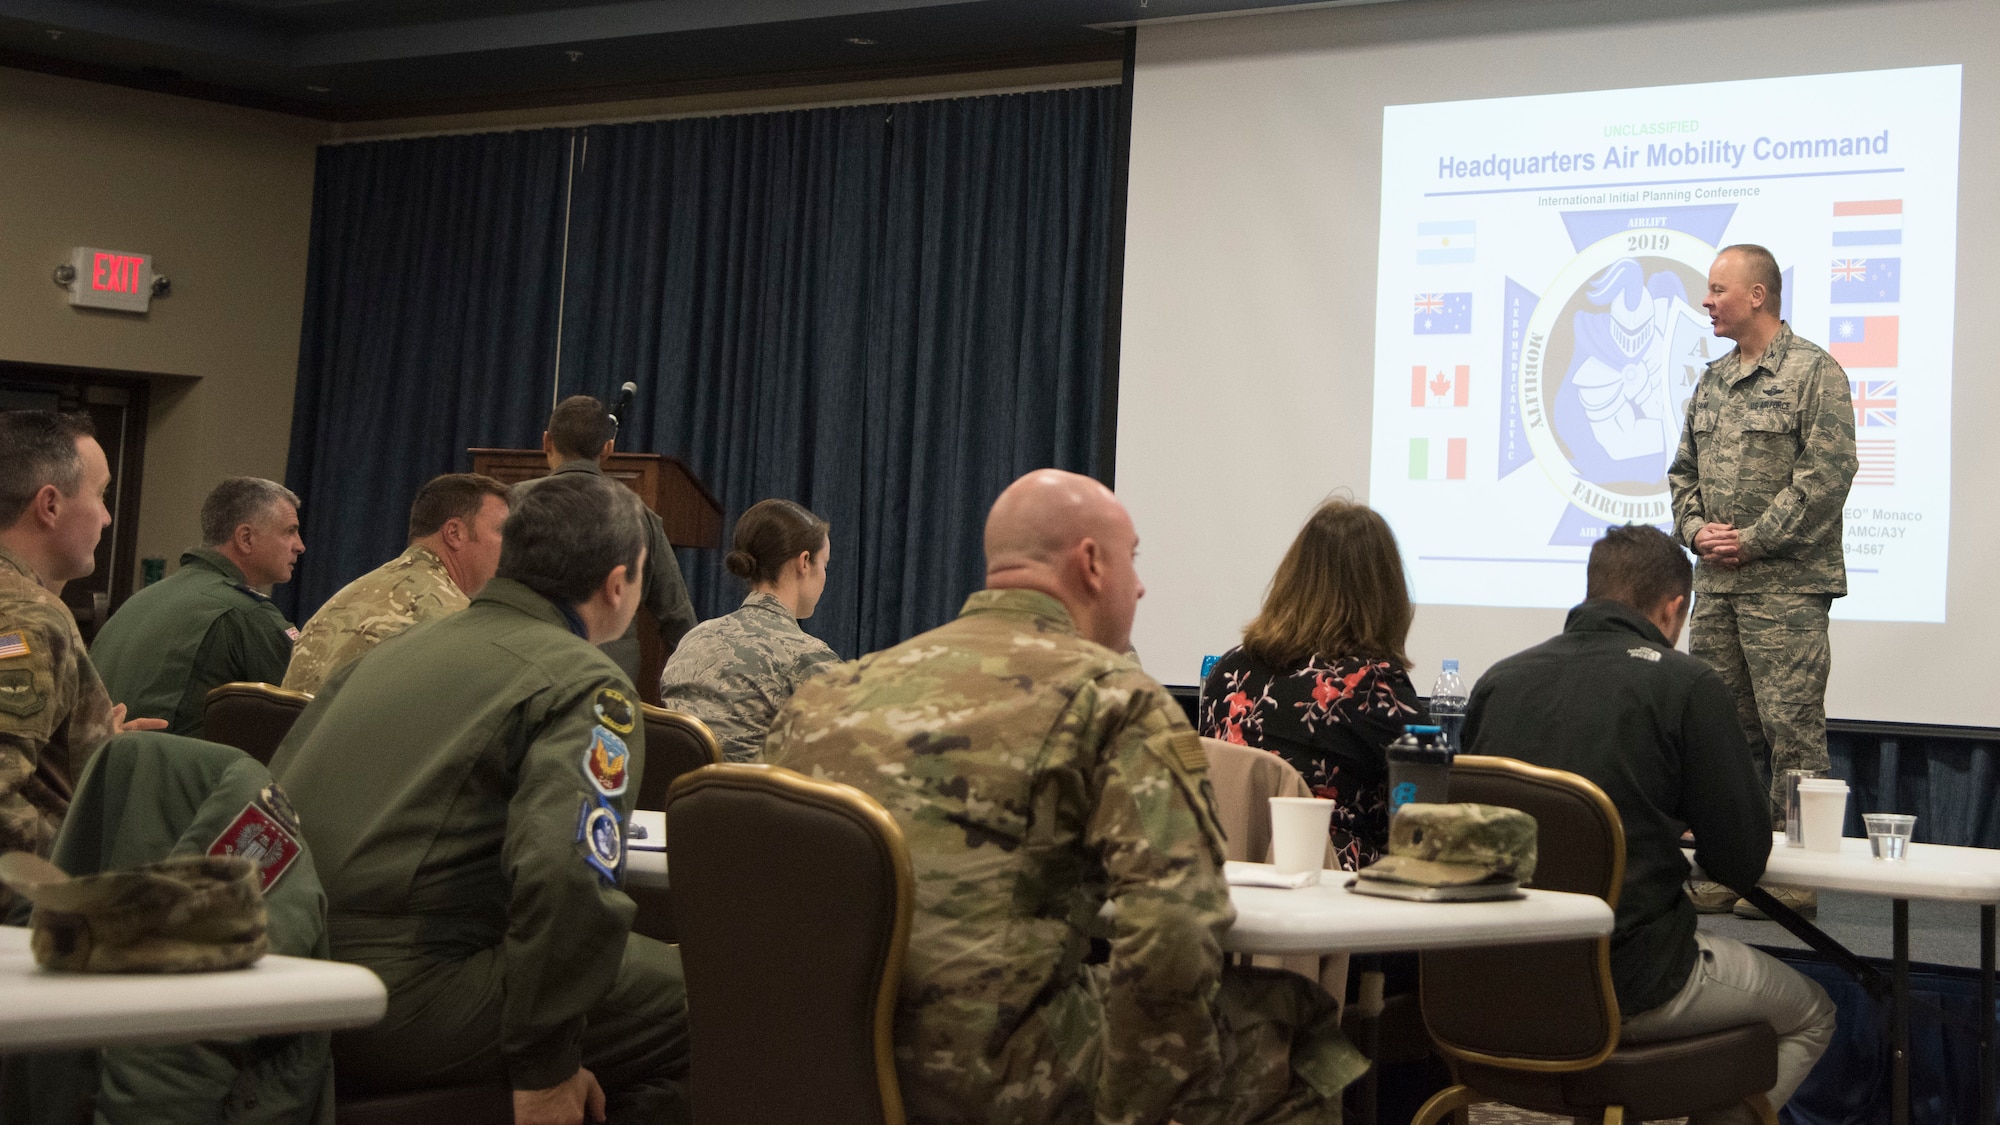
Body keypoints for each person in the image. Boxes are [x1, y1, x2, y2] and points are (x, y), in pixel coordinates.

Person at [765, 469, 1364, 1125]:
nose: (1140, 585)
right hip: (996, 1082)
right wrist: (1129, 1107)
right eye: (1132, 559)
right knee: (1300, 1027)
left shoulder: (826, 695)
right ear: (1091, 565)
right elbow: (1177, 924)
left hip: (818, 1061)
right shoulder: (1115, 699)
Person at [269, 472, 687, 1125]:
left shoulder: (386, 654)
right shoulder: (586, 683)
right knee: (738, 990)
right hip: (406, 996)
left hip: (284, 975)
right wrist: (546, 1069)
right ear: (618, 583)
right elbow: (565, 876)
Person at [1462, 523, 1835, 1125]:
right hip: (1629, 982)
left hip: (1496, 981)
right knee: (1813, 1012)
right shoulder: (1685, 684)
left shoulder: (1499, 681)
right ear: (1675, 607)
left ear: (1592, 592)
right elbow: (1739, 863)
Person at [1668, 244, 1858, 919]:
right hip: (1717, 588)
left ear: (1758, 295)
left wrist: (1752, 539)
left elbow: (1827, 476)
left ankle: (1797, 876)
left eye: (1718, 289)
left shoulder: (1814, 372)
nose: (1707, 301)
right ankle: (1736, 867)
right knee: (1724, 735)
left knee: (1791, 731)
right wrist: (1695, 532)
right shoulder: (1712, 380)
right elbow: (1681, 473)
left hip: (1786, 587)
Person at [1199, 498, 1426, 871]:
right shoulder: (1372, 688)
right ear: (1386, 594)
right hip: (1336, 894)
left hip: (1232, 884)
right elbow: (1428, 810)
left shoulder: (1228, 671)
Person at [0, 411, 164, 907]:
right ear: (49, 504)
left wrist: (89, 749)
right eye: (101, 494)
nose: (108, 516)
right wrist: (92, 879)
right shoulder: (27, 619)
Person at [90, 477, 304, 738]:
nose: (299, 546)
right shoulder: (245, 612)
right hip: (173, 774)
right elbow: (308, 714)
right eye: (289, 531)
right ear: (246, 538)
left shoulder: (140, 601)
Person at [282, 473, 511, 693]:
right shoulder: (451, 619)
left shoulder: (348, 596)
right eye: (502, 531)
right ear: (454, 533)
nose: (511, 545)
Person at [528, 394, 696, 683]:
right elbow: (677, 616)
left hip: (526, 671)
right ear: (608, 449)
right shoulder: (638, 515)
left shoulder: (509, 504)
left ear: (546, 441)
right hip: (606, 682)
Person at [657, 498, 838, 761]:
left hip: (675, 800)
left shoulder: (692, 640)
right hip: (756, 801)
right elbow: (850, 754)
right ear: (805, 562)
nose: (825, 576)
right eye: (825, 564)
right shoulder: (808, 657)